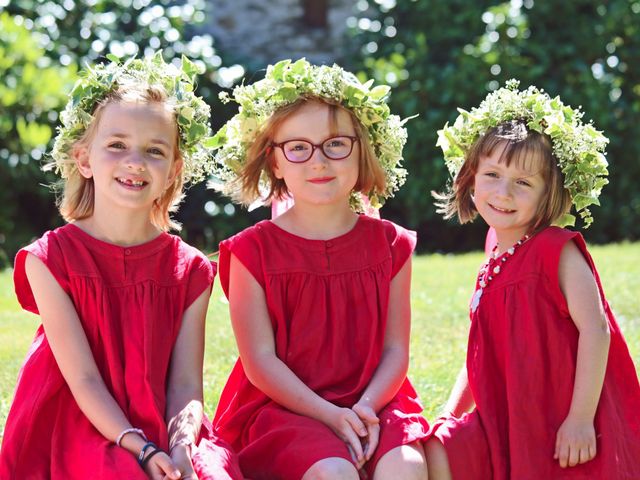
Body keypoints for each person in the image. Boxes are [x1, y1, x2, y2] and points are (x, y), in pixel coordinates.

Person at [0, 52, 242, 480]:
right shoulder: (50, 259)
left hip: (166, 426)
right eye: (117, 145)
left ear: (173, 171)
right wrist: (143, 449)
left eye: (154, 150)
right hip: (81, 423)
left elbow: (185, 386)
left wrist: (181, 445)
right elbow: (84, 382)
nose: (135, 161)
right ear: (85, 159)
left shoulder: (191, 270)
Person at [209, 58, 429, 479]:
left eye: (335, 144)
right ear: (275, 163)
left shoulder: (391, 244)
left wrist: (363, 409)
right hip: (287, 406)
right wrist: (330, 415)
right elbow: (260, 362)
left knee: (406, 469)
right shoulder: (251, 252)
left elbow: (395, 351)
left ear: (361, 149)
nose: (318, 161)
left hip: (377, 399)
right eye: (298, 148)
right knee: (335, 473)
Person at [425, 80, 640, 479]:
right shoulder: (493, 251)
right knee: (434, 451)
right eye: (492, 174)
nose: (503, 192)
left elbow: (596, 331)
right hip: (506, 417)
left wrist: (579, 419)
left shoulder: (557, 250)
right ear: (470, 178)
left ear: (549, 194)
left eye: (523, 182)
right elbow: (482, 351)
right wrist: (448, 415)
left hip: (560, 420)